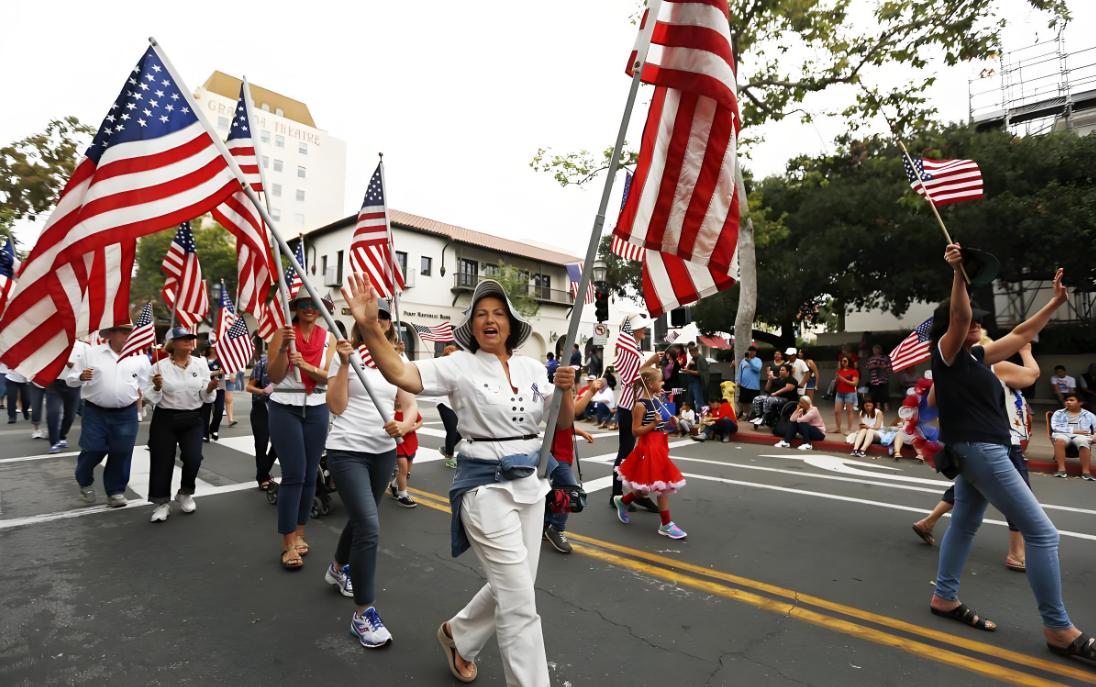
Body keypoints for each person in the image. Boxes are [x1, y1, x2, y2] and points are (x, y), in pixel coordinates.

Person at [344, 273, 576, 686]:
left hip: (531, 485)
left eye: (498, 313)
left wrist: (567, 392)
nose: (490, 320)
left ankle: (458, 635)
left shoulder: (533, 367)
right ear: (471, 326)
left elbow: (560, 422)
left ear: (511, 324)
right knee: (520, 603)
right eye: (481, 314)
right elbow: (401, 372)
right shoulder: (458, 364)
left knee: (517, 586)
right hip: (484, 487)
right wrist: (368, 327)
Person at [928, 244, 1095, 662]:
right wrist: (958, 273)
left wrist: (1054, 302)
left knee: (964, 525)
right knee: (1042, 534)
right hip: (983, 450)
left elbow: (1021, 335)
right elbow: (961, 316)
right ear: (950, 327)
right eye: (972, 324)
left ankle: (944, 598)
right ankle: (1058, 627)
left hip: (979, 451)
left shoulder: (977, 357)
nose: (977, 328)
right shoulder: (946, 355)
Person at [323, 300, 419, 647]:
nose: (377, 321)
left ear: (389, 324)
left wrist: (402, 425)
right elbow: (335, 406)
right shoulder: (344, 352)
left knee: (362, 520)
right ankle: (364, 614)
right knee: (368, 526)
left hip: (382, 452)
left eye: (383, 317)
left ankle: (337, 567)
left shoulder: (397, 361)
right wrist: (346, 362)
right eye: (371, 317)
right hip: (347, 448)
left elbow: (410, 406)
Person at [912, 342, 1040, 573]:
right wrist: (1025, 352)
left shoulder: (955, 372)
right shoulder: (994, 368)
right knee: (1021, 499)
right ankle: (1016, 553)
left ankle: (928, 522)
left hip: (971, 443)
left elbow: (932, 400)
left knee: (970, 491)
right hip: (999, 441)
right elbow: (1031, 375)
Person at [268, 293, 338, 570]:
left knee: (311, 475)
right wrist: (285, 348)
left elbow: (329, 378)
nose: (309, 309)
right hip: (285, 406)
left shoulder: (329, 338)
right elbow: (273, 376)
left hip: (317, 407)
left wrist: (307, 366)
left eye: (315, 305)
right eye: (304, 304)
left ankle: (300, 532)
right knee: (294, 474)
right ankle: (287, 543)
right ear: (295, 308)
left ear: (322, 311)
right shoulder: (282, 333)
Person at [66, 323, 149, 507]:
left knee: (121, 452)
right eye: (123, 331)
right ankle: (84, 479)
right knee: (94, 449)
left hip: (126, 412)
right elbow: (71, 379)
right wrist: (81, 377)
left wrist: (152, 392)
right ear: (111, 333)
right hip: (96, 411)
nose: (128, 335)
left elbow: (146, 384)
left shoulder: (141, 357)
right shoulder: (91, 353)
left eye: (130, 331)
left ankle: (115, 491)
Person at [144, 328, 217, 521]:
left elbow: (205, 397)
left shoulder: (201, 365)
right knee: (162, 460)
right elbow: (149, 397)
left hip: (192, 418)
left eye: (190, 338)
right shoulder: (159, 367)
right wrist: (157, 386)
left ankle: (185, 492)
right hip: (165, 419)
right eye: (184, 338)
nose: (189, 341)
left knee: (194, 458)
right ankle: (161, 503)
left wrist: (209, 388)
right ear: (172, 343)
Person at [613, 368, 687, 539]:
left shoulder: (656, 401)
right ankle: (666, 524)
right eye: (660, 381)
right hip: (648, 449)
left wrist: (670, 422)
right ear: (650, 384)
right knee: (663, 485)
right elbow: (635, 431)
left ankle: (622, 501)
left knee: (645, 488)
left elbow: (659, 426)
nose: (662, 384)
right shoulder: (640, 405)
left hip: (659, 446)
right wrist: (653, 424)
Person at [610, 313, 662, 514]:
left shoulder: (634, 349)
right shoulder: (629, 350)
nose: (644, 331)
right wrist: (651, 361)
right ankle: (620, 495)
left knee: (639, 453)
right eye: (641, 328)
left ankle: (638, 494)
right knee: (626, 453)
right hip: (630, 407)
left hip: (636, 405)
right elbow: (634, 377)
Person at [544, 381, 598, 555]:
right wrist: (590, 391)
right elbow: (574, 412)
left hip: (562, 457)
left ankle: (545, 524)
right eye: (569, 391)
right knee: (569, 493)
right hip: (557, 457)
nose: (573, 394)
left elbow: (567, 425)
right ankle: (556, 529)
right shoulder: (556, 405)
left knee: (553, 491)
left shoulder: (561, 409)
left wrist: (581, 432)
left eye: (573, 391)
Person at [46, 339, 86, 453]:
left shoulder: (83, 347)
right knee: (52, 413)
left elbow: (88, 365)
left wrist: (75, 367)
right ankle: (54, 442)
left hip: (73, 384)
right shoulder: (53, 343)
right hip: (54, 383)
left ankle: (62, 436)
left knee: (70, 415)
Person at [246, 353, 278, 490]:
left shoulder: (294, 360)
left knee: (278, 444)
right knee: (261, 443)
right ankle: (263, 477)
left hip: (281, 409)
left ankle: (263, 472)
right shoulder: (264, 361)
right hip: (261, 407)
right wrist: (263, 391)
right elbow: (249, 387)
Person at [1050, 392, 1095, 480]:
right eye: (1066, 400)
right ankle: (1061, 470)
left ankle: (1086, 472)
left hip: (1081, 436)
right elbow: (1055, 427)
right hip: (1063, 434)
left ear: (1080, 403)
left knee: (1083, 442)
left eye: (1071, 400)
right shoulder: (1059, 413)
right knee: (1059, 440)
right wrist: (1074, 431)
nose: (1068, 402)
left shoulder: (1088, 415)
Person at [389, 394, 423, 507]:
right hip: (398, 445)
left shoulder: (408, 410)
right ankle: (402, 495)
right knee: (403, 469)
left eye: (399, 396)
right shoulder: (388, 412)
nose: (397, 399)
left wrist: (412, 428)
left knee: (406, 471)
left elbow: (420, 421)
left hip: (411, 443)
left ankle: (394, 484)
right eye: (395, 397)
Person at [437, 344, 461, 469]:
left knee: (463, 429)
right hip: (443, 402)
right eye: (451, 354)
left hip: (456, 403)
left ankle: (447, 448)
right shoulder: (442, 365)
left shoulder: (459, 367)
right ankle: (450, 457)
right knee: (452, 429)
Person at [202, 345, 226, 442]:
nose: (214, 349)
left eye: (216, 347)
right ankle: (204, 434)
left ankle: (214, 429)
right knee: (205, 412)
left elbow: (226, 371)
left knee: (219, 410)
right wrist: (216, 372)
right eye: (212, 347)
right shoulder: (203, 360)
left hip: (219, 388)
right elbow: (205, 373)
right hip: (206, 388)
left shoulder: (222, 360)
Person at [833, 355, 860, 434]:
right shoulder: (839, 371)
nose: (843, 362)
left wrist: (843, 379)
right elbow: (837, 381)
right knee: (837, 411)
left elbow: (855, 383)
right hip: (839, 392)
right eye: (842, 361)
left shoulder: (854, 371)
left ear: (849, 362)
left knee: (849, 411)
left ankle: (849, 429)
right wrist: (837, 380)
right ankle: (838, 428)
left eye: (845, 361)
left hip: (850, 393)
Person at [682, 342, 710, 411]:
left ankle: (701, 417)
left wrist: (687, 371)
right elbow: (687, 368)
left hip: (698, 382)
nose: (690, 352)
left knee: (699, 402)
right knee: (690, 401)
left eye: (691, 350)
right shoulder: (694, 358)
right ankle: (695, 416)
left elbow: (700, 373)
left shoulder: (701, 359)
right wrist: (689, 365)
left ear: (695, 350)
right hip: (691, 382)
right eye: (689, 350)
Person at [737, 345, 762, 417]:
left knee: (754, 402)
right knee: (744, 401)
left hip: (754, 386)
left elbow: (757, 369)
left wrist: (750, 362)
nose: (751, 352)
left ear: (755, 353)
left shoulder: (758, 360)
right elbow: (740, 371)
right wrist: (739, 381)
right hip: (744, 385)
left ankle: (753, 415)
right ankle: (745, 415)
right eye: (750, 351)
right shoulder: (743, 360)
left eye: (753, 351)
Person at [867, 344, 893, 411]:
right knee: (876, 394)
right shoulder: (871, 358)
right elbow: (868, 367)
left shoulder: (885, 358)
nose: (875, 351)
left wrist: (882, 367)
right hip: (874, 380)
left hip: (883, 379)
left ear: (880, 350)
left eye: (877, 349)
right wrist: (874, 366)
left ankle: (886, 407)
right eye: (874, 350)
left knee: (884, 394)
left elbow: (889, 368)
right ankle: (878, 407)